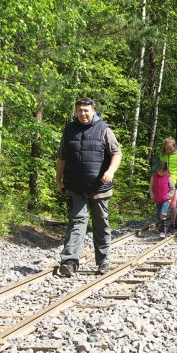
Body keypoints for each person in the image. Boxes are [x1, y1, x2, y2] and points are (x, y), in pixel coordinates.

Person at [55, 98, 122, 277]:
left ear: (93, 110)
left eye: (86, 110)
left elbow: (116, 153)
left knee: (100, 224)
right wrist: (58, 179)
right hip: (75, 186)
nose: (83, 113)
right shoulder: (69, 130)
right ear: (76, 111)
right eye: (80, 110)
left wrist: (110, 171)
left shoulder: (104, 129)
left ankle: (103, 261)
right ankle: (69, 262)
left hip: (100, 188)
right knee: (76, 223)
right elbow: (62, 157)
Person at [158, 137, 177, 231]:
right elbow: (157, 167)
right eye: (167, 149)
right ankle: (163, 223)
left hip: (174, 183)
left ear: (174, 147)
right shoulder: (162, 155)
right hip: (163, 183)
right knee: (163, 203)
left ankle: (172, 223)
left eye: (170, 148)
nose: (168, 150)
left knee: (172, 204)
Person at [149, 161, 176, 238]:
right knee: (158, 215)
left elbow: (172, 188)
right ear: (157, 169)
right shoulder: (153, 177)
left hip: (166, 199)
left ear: (166, 171)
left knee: (163, 214)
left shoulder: (168, 177)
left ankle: (163, 231)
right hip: (157, 199)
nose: (160, 173)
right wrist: (152, 196)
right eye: (159, 171)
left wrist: (169, 195)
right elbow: (151, 188)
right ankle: (161, 226)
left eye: (162, 172)